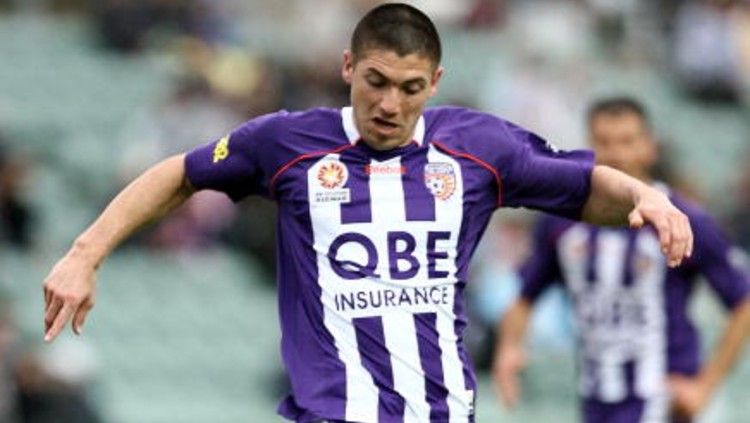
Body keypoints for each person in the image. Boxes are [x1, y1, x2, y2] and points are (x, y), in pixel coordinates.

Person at [42, 5, 693, 423]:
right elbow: (179, 172)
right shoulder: (287, 142)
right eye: (376, 81)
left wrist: (648, 196)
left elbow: (581, 181)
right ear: (348, 66)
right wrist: (84, 252)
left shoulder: (476, 148)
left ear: (433, 84)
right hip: (333, 412)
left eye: (411, 88)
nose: (390, 102)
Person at [493, 97, 750, 423]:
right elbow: (524, 295)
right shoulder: (562, 224)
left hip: (666, 401)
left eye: (627, 141)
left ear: (649, 148)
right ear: (589, 147)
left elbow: (743, 302)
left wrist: (705, 386)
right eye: (604, 142)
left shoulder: (683, 218)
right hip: (597, 398)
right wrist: (509, 348)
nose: (617, 154)